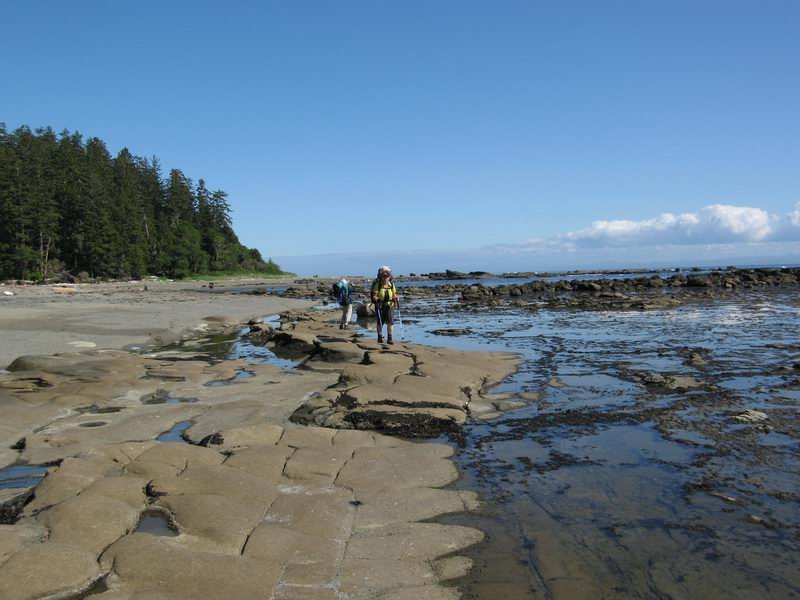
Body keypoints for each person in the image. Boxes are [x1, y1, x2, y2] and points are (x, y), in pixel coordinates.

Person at [371, 266, 399, 344]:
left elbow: (394, 294)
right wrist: (375, 298)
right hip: (380, 305)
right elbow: (374, 295)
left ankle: (389, 338)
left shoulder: (392, 284)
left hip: (390, 305)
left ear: (389, 277)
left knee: (390, 322)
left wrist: (396, 297)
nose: (385, 278)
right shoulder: (378, 284)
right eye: (384, 277)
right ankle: (380, 337)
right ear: (381, 276)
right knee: (380, 322)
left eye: (387, 277)